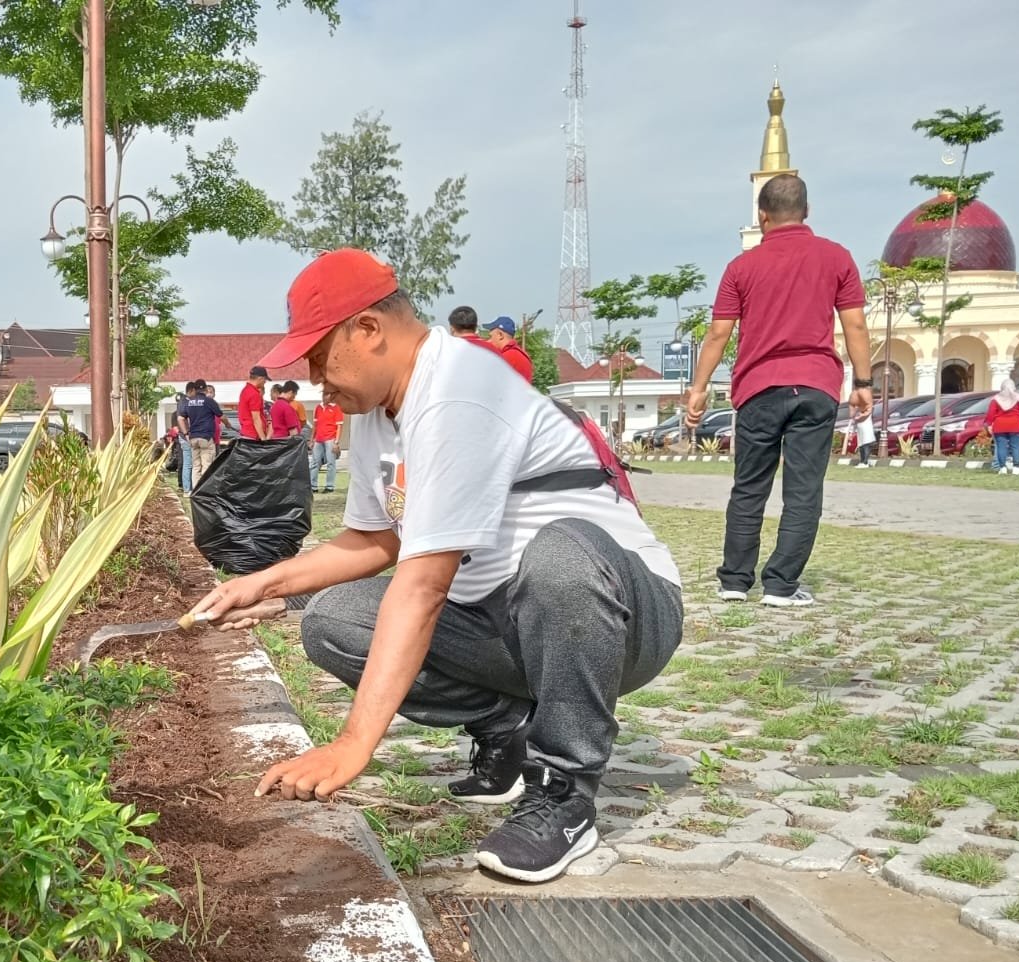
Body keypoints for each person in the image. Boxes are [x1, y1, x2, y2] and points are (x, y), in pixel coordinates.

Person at [190, 249, 683, 884]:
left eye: (318, 357)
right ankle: (506, 727)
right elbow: (374, 543)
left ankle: (565, 791)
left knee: (559, 558)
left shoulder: (460, 392)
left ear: (367, 331)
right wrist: (265, 584)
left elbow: (422, 588)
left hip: (621, 619)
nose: (314, 379)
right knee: (334, 620)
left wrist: (352, 745)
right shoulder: (375, 415)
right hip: (507, 624)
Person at [685, 175, 872, 608]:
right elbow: (856, 325)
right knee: (803, 491)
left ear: (761, 216)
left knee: (749, 487)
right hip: (815, 386)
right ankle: (781, 586)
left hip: (758, 390)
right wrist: (862, 384)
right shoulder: (836, 257)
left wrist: (698, 390)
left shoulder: (741, 267)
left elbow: (717, 334)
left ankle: (734, 581)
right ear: (807, 211)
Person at [176, 379, 222, 489]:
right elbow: (221, 415)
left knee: (196, 466)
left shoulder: (189, 402)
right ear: (205, 389)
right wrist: (228, 424)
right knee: (206, 464)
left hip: (193, 438)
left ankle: (195, 491)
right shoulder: (209, 401)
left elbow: (180, 418)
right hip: (206, 437)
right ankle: (204, 491)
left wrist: (186, 433)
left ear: (195, 390)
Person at [986, 380, 1019, 476]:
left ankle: (1002, 468)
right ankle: (1016, 468)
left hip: (999, 425)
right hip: (1015, 424)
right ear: (1013, 387)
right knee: (1016, 446)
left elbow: (991, 413)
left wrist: (989, 424)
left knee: (1001, 447)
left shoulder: (996, 399)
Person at [482, 316, 534, 383]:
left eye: (490, 336)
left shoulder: (509, 357)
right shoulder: (517, 354)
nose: (489, 341)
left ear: (500, 335)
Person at [311, 393, 345, 492]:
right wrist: (312, 439)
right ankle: (313, 486)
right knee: (315, 462)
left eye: (327, 395)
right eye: (323, 395)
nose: (324, 397)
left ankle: (329, 486)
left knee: (331, 463)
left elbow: (339, 426)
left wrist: (336, 442)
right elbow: (315, 425)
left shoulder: (336, 408)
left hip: (330, 438)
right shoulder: (318, 407)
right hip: (318, 439)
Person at [239, 367, 271, 440]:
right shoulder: (254, 394)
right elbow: (256, 418)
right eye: (265, 380)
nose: (265, 382)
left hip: (246, 433)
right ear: (260, 378)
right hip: (253, 435)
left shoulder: (245, 390)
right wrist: (263, 438)